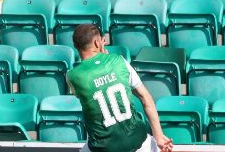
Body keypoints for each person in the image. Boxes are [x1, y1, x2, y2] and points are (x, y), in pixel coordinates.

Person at [67, 24, 173, 152]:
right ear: (97, 42)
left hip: (103, 148)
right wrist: (158, 136)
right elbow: (145, 98)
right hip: (137, 142)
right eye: (101, 40)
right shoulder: (119, 61)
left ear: (75, 46)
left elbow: (89, 91)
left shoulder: (72, 76)